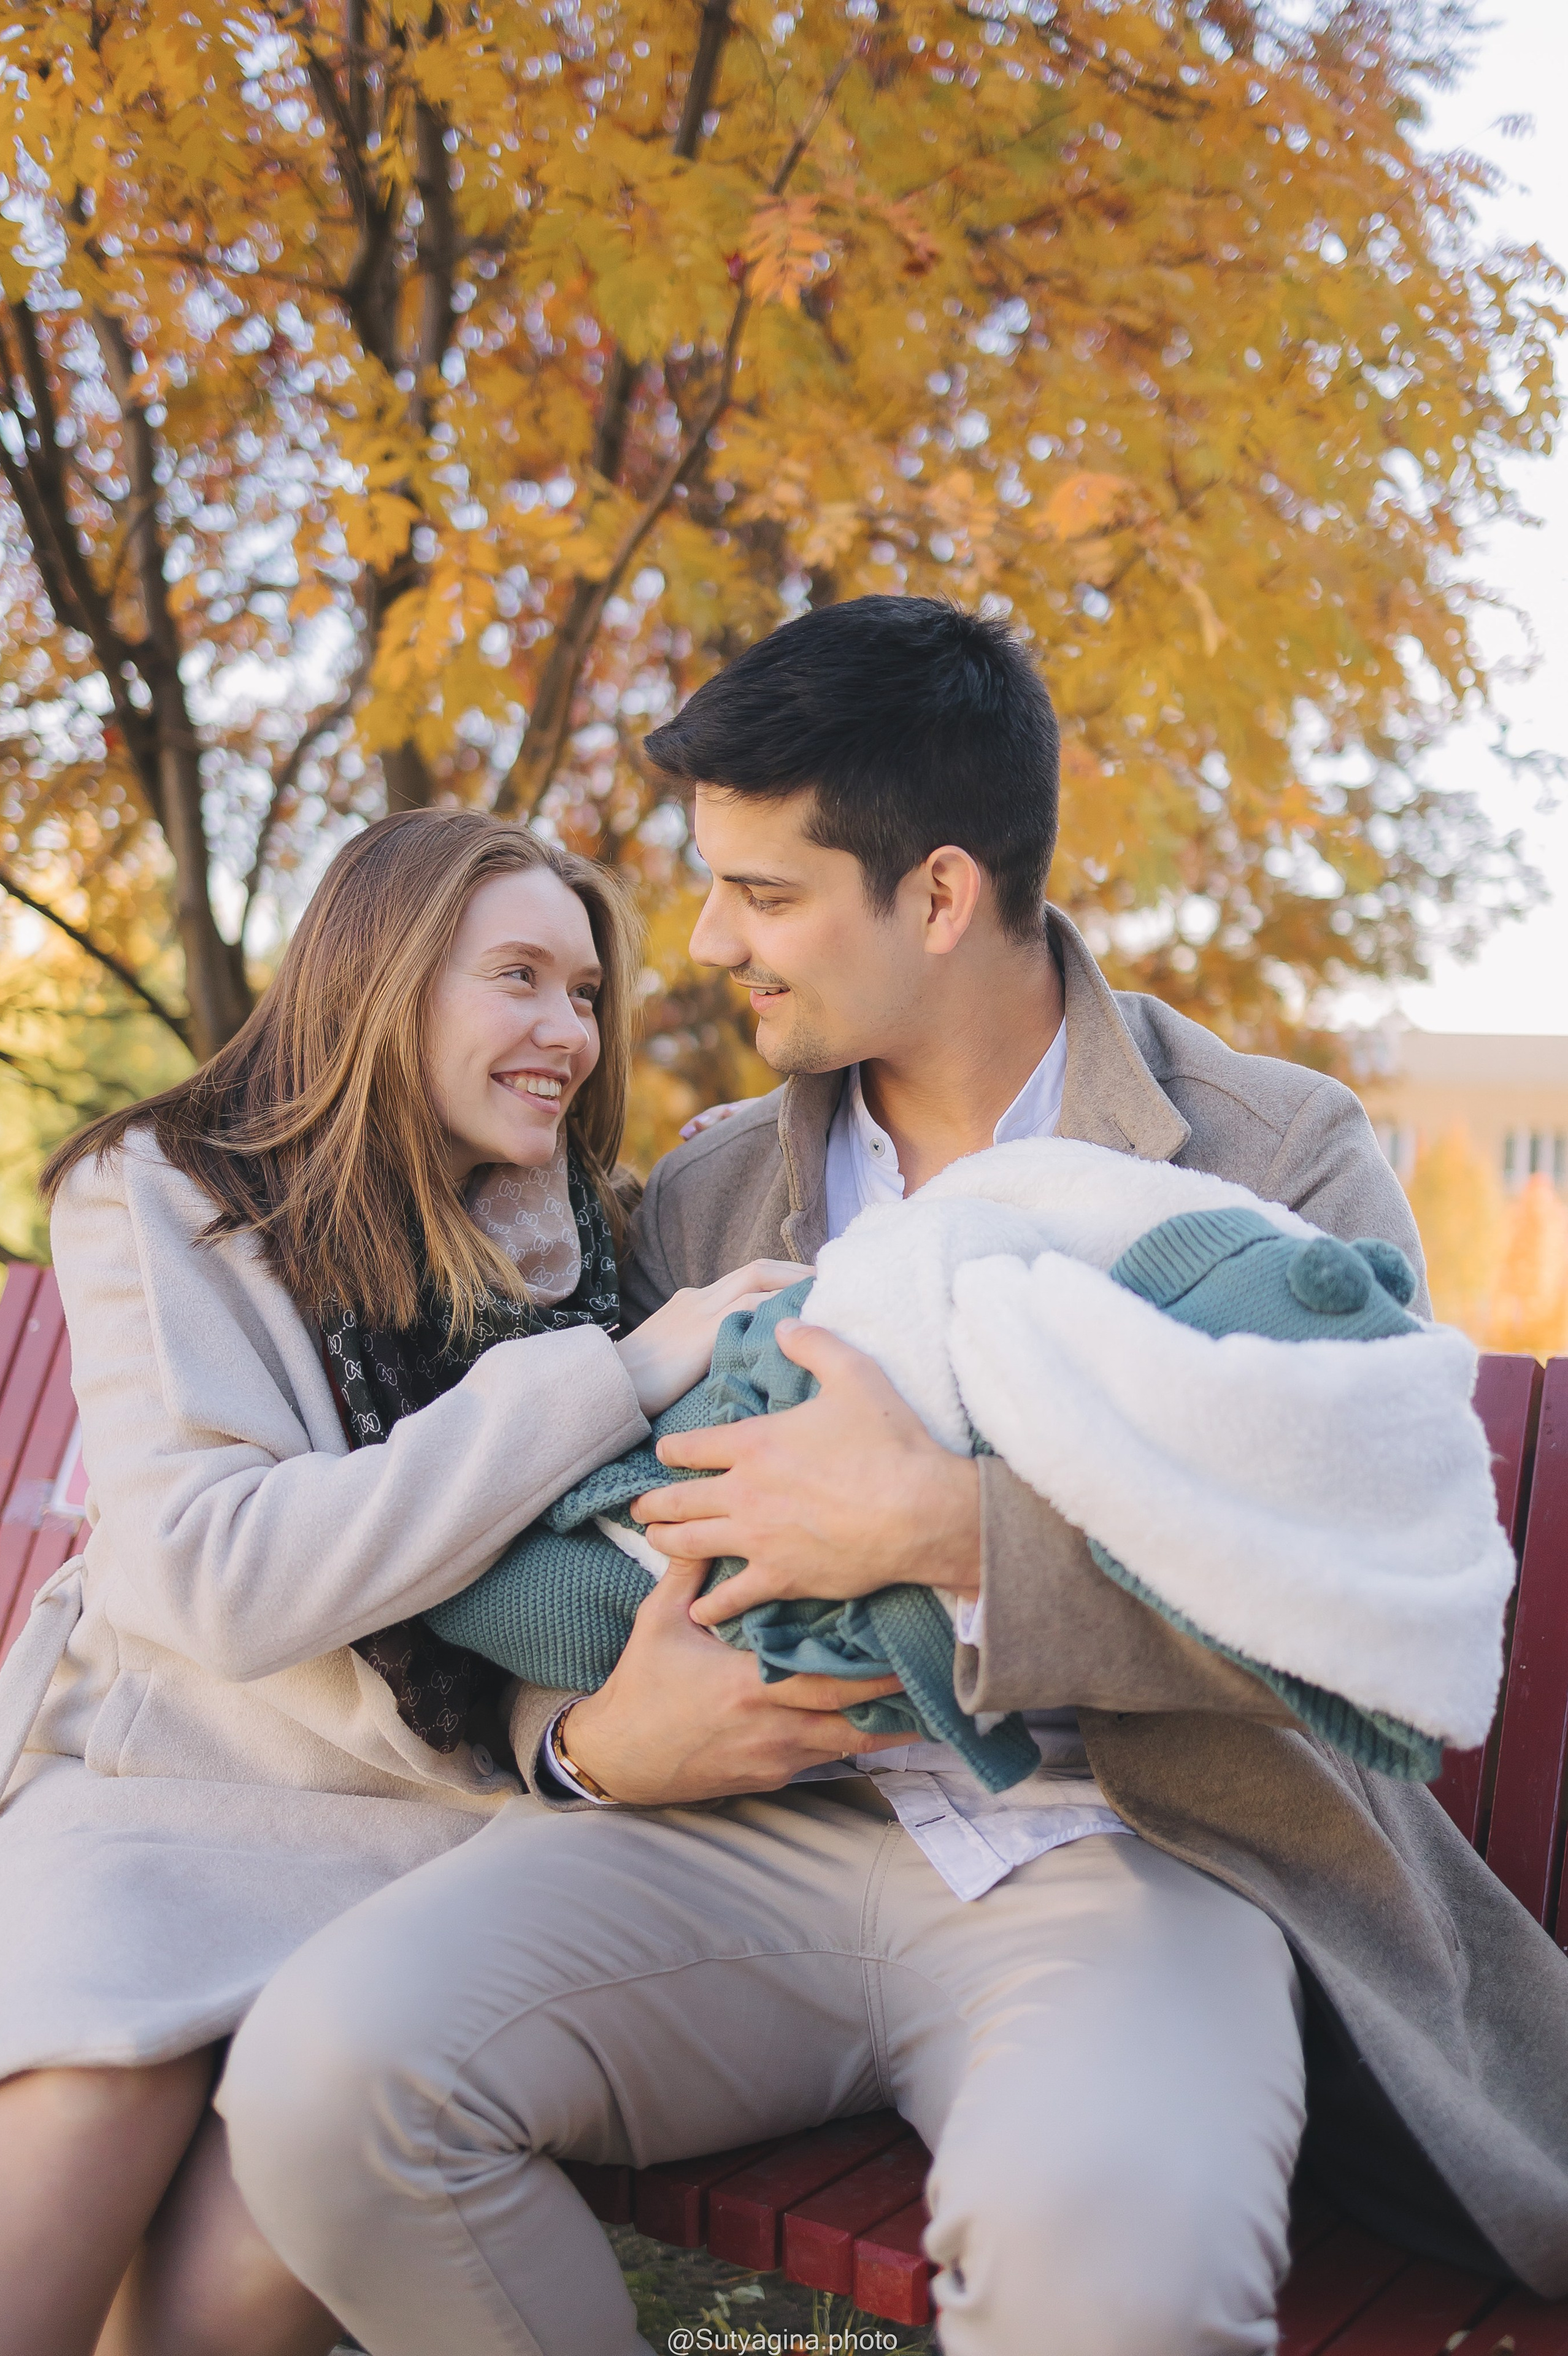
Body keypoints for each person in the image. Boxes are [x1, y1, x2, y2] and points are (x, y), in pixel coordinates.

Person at [222, 599, 1568, 2356]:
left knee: (1120, 2271)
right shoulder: (705, 1196)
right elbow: (582, 1550)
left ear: (938, 896)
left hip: (1137, 1851)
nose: (706, 942)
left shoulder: (1268, 1157)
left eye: (763, 895)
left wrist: (951, 1540)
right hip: (747, 1833)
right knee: (328, 2085)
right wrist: (589, 1746)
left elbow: (1374, 1621)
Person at [0, 809, 849, 2356]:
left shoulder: (579, 1231)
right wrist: (610, 1373)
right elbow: (223, 1582)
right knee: (91, 2086)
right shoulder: (164, 1192)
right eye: (517, 977)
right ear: (383, 982)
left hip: (432, 1835)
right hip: (169, 1793)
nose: (566, 1032)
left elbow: (588, 1566)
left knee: (267, 2217)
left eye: (584, 993)